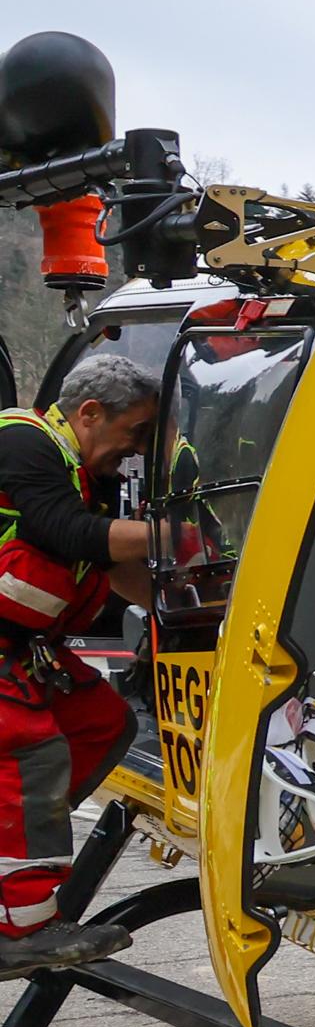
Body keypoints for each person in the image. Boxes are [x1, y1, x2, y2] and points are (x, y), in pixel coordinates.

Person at [0, 352, 158, 978]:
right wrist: (177, 534)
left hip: (25, 650)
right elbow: (68, 533)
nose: (137, 449)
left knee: (101, 723)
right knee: (30, 751)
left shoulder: (80, 474)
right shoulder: (21, 441)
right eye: (135, 433)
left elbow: (113, 568)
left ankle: (14, 853)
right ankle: (22, 929)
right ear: (90, 413)